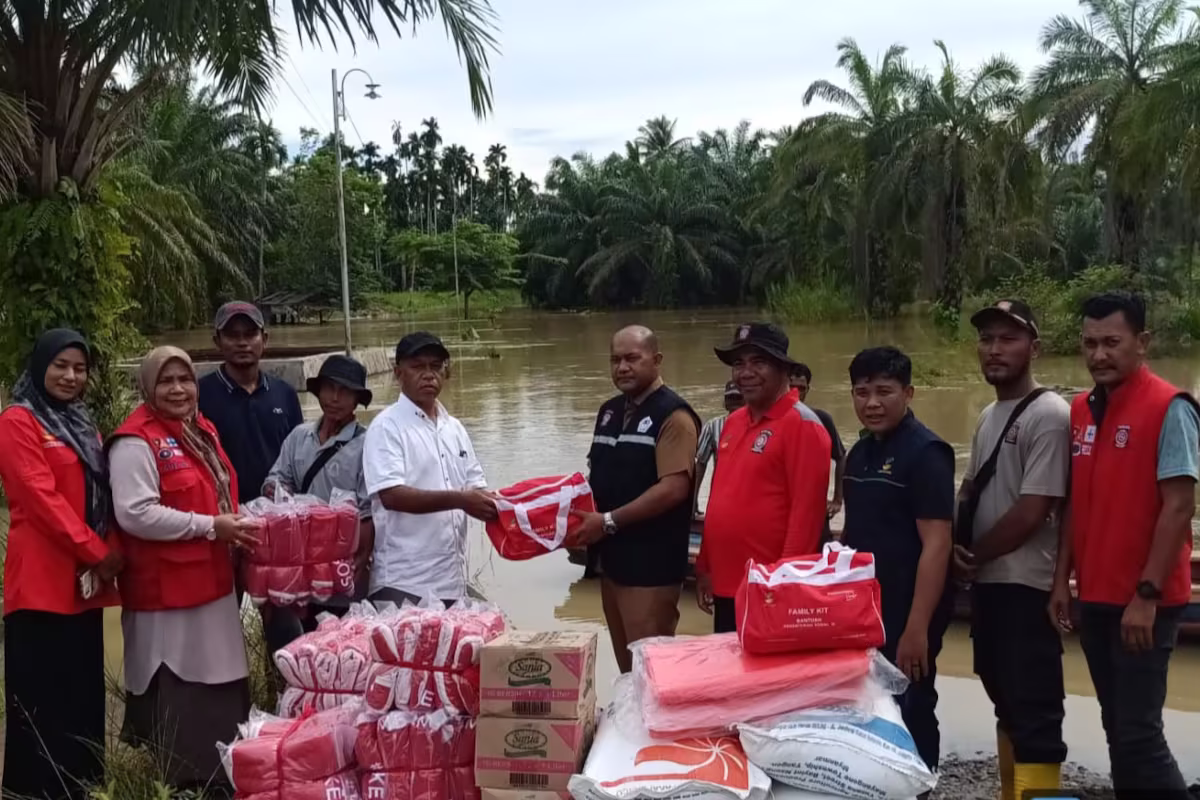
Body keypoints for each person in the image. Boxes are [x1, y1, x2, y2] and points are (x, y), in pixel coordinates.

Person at [1052, 291, 1196, 798]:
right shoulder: (1080, 409)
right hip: (1096, 595)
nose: (1099, 355)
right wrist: (1062, 581)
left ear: (1143, 342)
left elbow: (1179, 506)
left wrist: (1147, 595)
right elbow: (1075, 502)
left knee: (1139, 735)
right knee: (1116, 725)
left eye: (1112, 343)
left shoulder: (1170, 407)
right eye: (1089, 343)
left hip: (1146, 602)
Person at [108, 346, 262, 794]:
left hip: (211, 581)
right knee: (180, 682)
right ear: (147, 387)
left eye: (186, 380)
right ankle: (183, 781)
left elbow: (219, 494)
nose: (178, 389)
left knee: (220, 677)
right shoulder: (135, 442)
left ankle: (222, 775)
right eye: (166, 381)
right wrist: (210, 526)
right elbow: (135, 513)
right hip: (166, 592)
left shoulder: (200, 430)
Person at [953, 301, 1070, 799]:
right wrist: (952, 546)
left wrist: (973, 554)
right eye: (987, 340)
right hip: (990, 586)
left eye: (1008, 339)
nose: (994, 349)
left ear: (1034, 348)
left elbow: (1032, 510)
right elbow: (969, 490)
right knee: (1006, 701)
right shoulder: (988, 415)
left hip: (1027, 585)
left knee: (1036, 715)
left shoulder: (1050, 414)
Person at [0, 330, 122, 800]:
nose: (71, 376)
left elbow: (103, 494)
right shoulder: (18, 421)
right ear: (40, 367)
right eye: (61, 366)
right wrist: (98, 552)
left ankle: (84, 788)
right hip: (40, 586)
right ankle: (34, 793)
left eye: (80, 368)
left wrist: (108, 551)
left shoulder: (82, 423)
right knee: (40, 700)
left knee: (82, 695)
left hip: (83, 586)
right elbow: (41, 500)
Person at [841, 346, 953, 779]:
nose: (872, 403)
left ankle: (921, 783)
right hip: (867, 610)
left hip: (909, 608)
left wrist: (917, 628)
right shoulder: (859, 453)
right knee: (871, 702)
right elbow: (853, 536)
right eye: (861, 392)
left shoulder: (927, 453)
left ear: (908, 393)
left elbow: (937, 544)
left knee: (913, 702)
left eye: (884, 392)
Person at [572, 325, 700, 674]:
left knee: (651, 669)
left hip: (651, 566)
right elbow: (598, 478)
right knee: (628, 669)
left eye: (632, 358)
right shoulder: (609, 411)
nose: (622, 367)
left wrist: (608, 521)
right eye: (615, 360)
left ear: (656, 360)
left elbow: (674, 488)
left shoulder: (674, 416)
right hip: (611, 562)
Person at [696, 323, 831, 634]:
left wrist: (781, 585)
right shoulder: (732, 422)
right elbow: (718, 498)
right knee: (729, 663)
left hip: (768, 588)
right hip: (727, 583)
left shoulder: (803, 425)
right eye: (738, 363)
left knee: (764, 666)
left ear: (783, 368)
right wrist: (704, 565)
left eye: (758, 362)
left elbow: (806, 519)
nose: (746, 373)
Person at [362, 331, 495, 607]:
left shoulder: (454, 428)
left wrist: (519, 507)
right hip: (402, 584)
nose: (429, 375)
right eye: (418, 366)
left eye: (435, 366)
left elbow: (477, 488)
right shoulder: (387, 426)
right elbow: (392, 496)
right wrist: (461, 500)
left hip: (452, 581)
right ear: (398, 373)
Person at [262, 354, 376, 639]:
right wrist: (278, 491)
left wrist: (359, 563)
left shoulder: (368, 445)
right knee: (299, 642)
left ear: (357, 399)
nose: (335, 398)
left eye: (345, 391)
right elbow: (276, 478)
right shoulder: (298, 436)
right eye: (329, 388)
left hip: (339, 567)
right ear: (319, 391)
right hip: (297, 565)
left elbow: (367, 512)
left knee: (341, 643)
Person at [198, 301, 303, 505]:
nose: (242, 343)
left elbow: (297, 456)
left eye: (250, 334)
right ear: (217, 341)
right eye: (232, 335)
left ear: (264, 339)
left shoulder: (285, 394)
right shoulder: (199, 395)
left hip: (278, 511)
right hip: (224, 513)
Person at [789, 364, 847, 538]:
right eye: (791, 386)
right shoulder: (769, 420)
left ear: (808, 389)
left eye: (801, 388)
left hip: (815, 508)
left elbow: (841, 457)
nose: (796, 392)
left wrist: (837, 500)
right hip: (781, 506)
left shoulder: (820, 419)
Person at [694, 380, 744, 518]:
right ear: (724, 403)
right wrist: (693, 500)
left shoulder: (759, 425)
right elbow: (700, 464)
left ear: (746, 399)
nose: (734, 402)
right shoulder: (712, 426)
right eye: (730, 398)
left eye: (738, 398)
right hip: (720, 496)